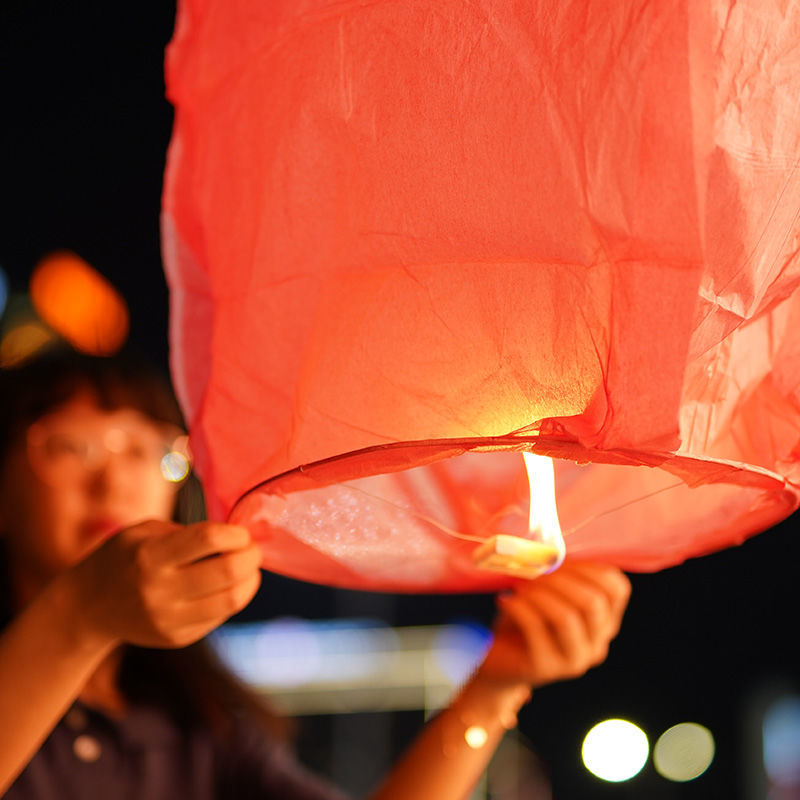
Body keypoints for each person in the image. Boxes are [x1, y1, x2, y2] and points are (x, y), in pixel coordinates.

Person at [0, 350, 631, 799]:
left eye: (143, 449)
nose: (113, 479)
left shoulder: (193, 717)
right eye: (73, 446)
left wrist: (493, 690)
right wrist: (78, 615)